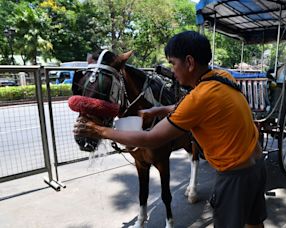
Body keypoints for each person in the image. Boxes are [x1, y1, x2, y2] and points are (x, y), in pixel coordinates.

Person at [74, 31, 267, 228]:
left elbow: (151, 139)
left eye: (173, 63)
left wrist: (98, 131)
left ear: (189, 62)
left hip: (235, 176)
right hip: (257, 164)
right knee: (254, 223)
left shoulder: (198, 98)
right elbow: (193, 107)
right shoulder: (221, 77)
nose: (172, 70)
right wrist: (159, 109)